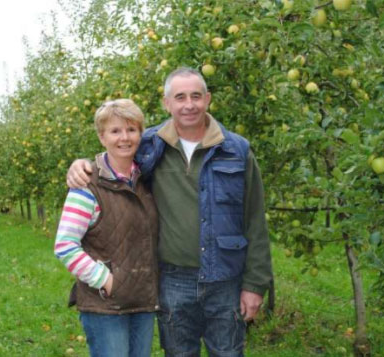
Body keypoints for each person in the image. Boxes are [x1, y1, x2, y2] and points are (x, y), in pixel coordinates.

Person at [66, 67, 274, 356]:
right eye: (180, 97)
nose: (189, 104)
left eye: (196, 96)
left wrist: (255, 284)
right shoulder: (150, 146)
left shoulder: (236, 150)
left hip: (226, 279)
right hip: (174, 280)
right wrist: (80, 165)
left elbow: (254, 221)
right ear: (167, 103)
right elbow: (114, 158)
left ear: (208, 99)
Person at [55, 99, 159, 357]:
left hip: (143, 302)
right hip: (106, 306)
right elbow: (65, 245)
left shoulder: (147, 180)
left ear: (141, 134)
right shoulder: (87, 185)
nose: (124, 138)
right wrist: (108, 281)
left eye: (131, 129)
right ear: (102, 137)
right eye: (115, 131)